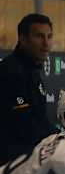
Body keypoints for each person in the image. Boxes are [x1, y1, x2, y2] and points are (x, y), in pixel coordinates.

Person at [0, 13, 56, 165]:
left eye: (49, 36)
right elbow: (25, 126)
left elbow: (41, 120)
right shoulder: (10, 71)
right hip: (10, 168)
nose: (46, 43)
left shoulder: (32, 70)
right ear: (23, 39)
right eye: (39, 36)